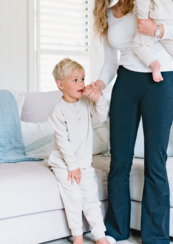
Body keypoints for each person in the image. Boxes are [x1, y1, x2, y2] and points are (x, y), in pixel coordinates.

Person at [87, 0, 173, 244]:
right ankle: (116, 231)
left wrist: (156, 28)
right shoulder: (107, 15)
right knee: (118, 162)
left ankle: (156, 238)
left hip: (160, 83)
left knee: (155, 162)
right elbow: (110, 63)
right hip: (126, 83)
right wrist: (99, 83)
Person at [47, 58, 114, 244]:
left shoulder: (85, 102)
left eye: (82, 79)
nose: (81, 83)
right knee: (75, 197)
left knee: (91, 198)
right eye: (74, 80)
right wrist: (72, 166)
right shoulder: (58, 111)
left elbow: (101, 116)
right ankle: (77, 237)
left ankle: (100, 235)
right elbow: (63, 141)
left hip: (85, 163)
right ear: (60, 84)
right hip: (64, 163)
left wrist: (99, 98)